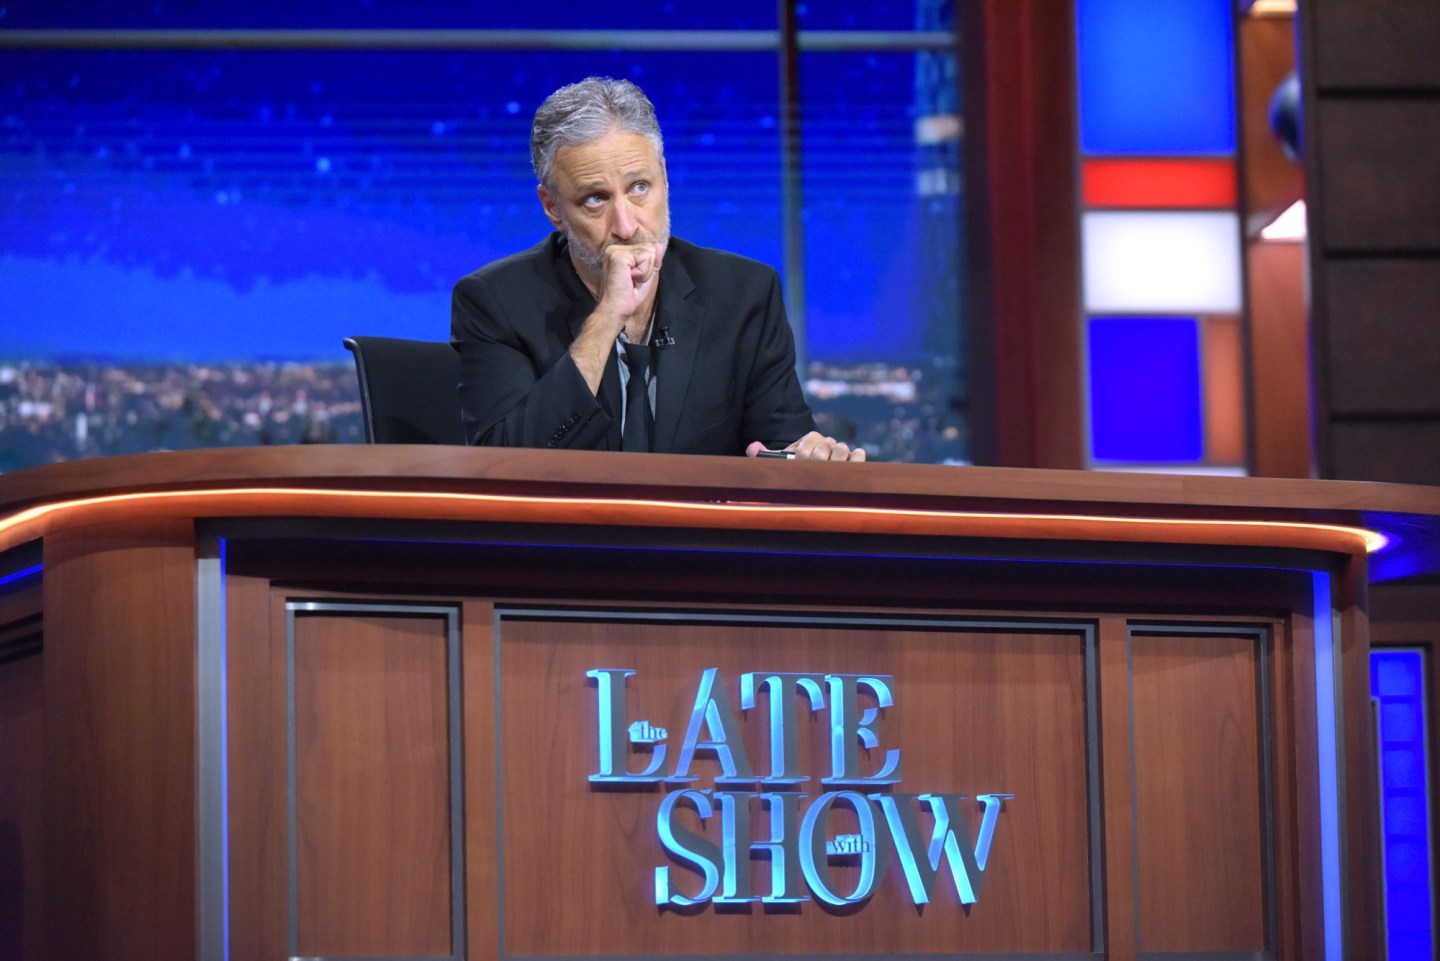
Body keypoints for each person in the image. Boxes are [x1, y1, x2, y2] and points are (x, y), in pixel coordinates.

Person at [450, 77, 865, 462]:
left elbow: (782, 445)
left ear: (664, 178)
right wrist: (607, 318)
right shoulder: (494, 302)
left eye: (639, 188)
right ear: (552, 207)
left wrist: (808, 458)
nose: (626, 226)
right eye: (595, 199)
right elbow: (504, 464)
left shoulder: (744, 295)